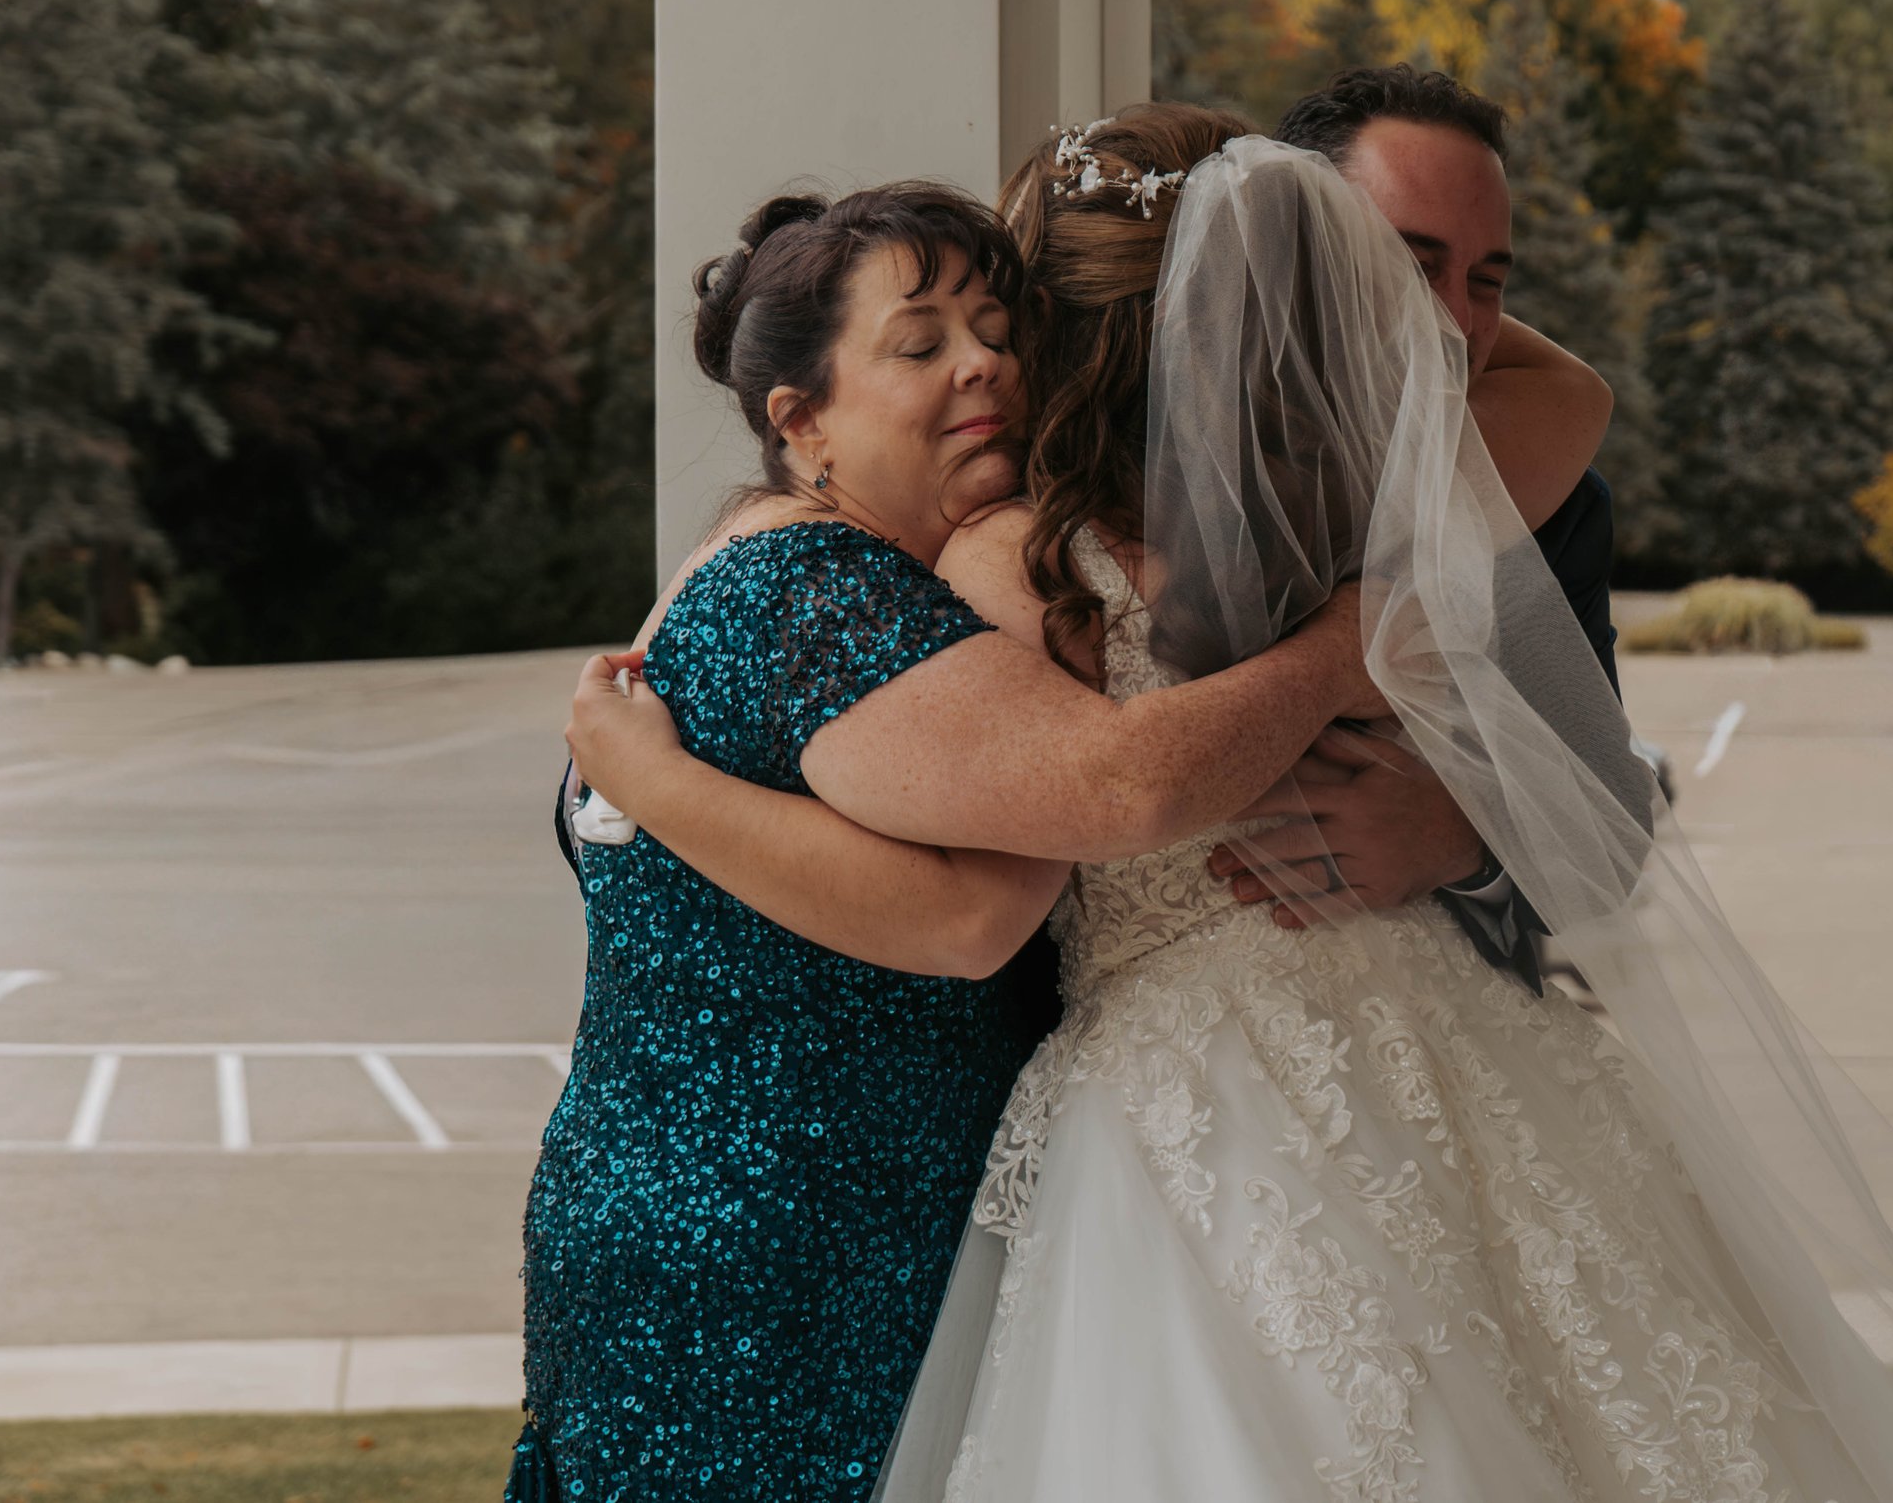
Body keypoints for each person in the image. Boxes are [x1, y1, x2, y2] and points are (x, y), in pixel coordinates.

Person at [584, 112, 1893, 1502]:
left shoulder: (1004, 551)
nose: (977, 364)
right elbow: (1573, 398)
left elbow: (1063, 825)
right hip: (1420, 1014)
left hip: (1195, 1072)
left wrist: (656, 758)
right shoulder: (1352, 511)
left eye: (998, 326)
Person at [508, 180, 1391, 1503]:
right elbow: (1022, 874)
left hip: (691, 1218)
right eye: (919, 343)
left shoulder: (743, 562)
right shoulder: (822, 589)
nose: (981, 362)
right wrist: (1346, 644)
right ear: (801, 420)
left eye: (996, 329)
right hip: (786, 1253)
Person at [1204, 65, 1632, 992]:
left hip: (1454, 1022)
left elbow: (1616, 829)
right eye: (1412, 262)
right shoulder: (1156, 470)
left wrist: (1461, 838)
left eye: (1488, 281)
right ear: (1294, 255)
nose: (1456, 320)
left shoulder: (1550, 500)